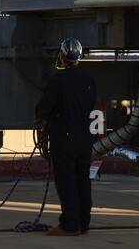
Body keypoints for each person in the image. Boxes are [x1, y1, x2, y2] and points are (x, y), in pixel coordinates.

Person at [35, 37, 97, 236]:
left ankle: (70, 224)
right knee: (83, 181)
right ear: (80, 57)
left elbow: (43, 109)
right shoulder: (89, 80)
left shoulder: (58, 80)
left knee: (67, 181)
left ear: (62, 57)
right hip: (85, 138)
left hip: (64, 137)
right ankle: (83, 222)